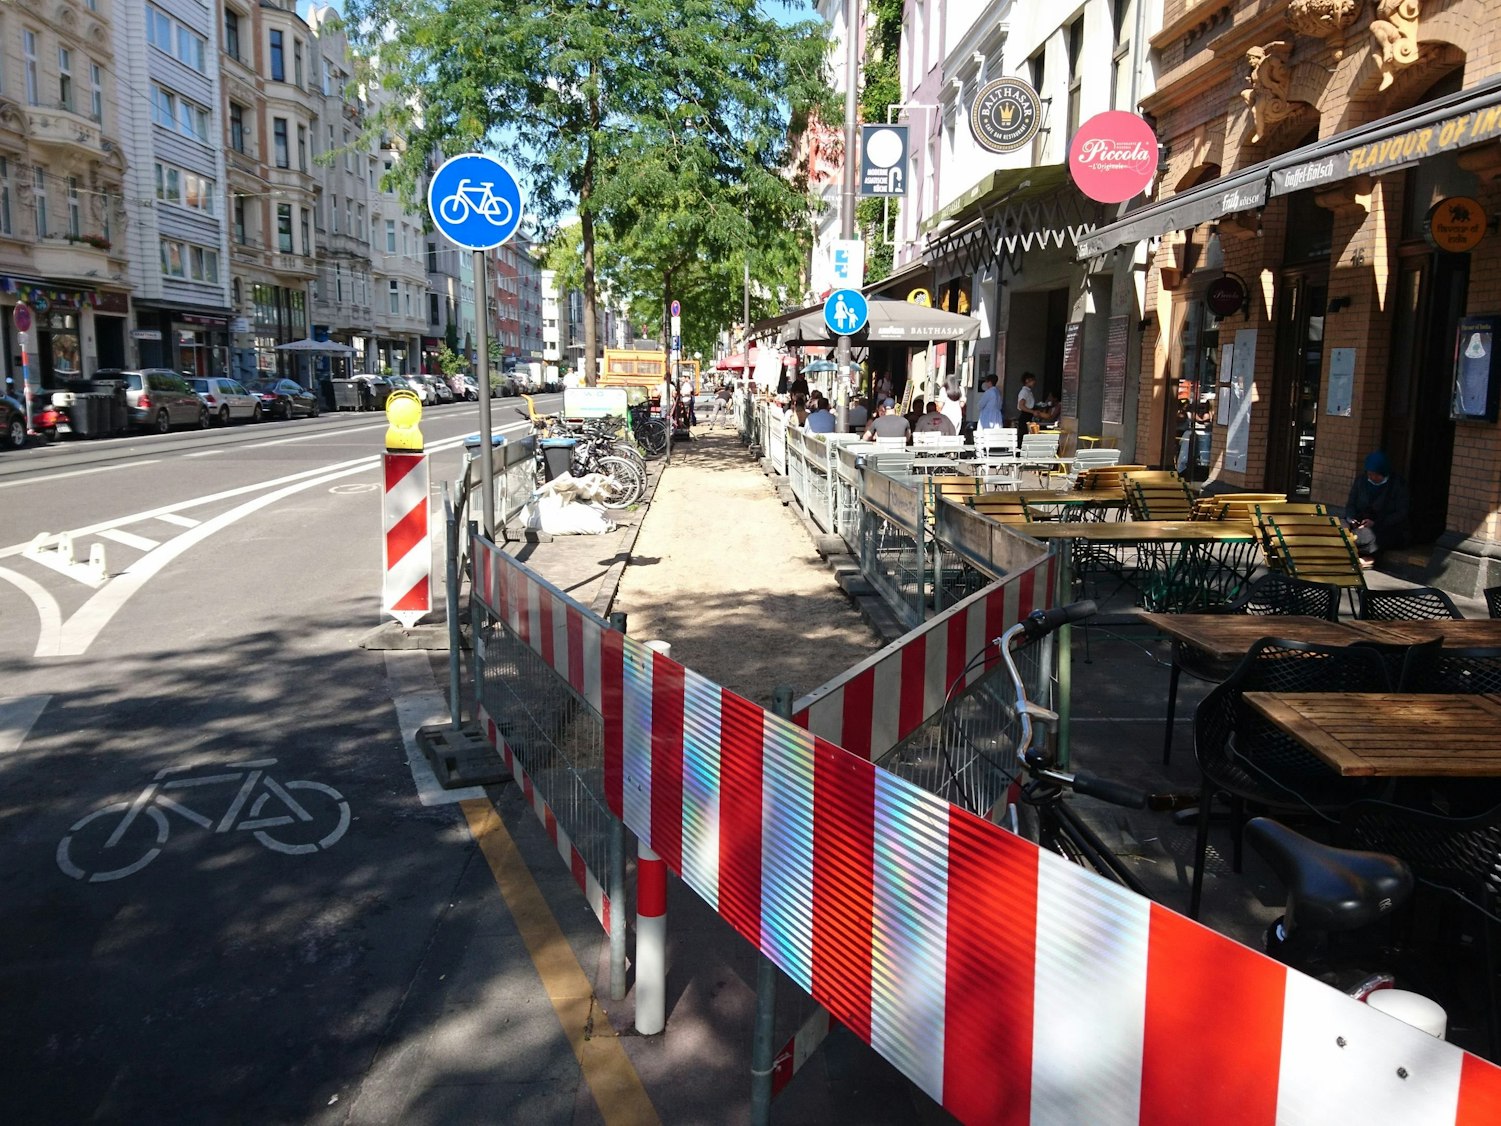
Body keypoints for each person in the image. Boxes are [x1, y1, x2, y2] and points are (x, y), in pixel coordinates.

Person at [1345, 451, 1410, 567]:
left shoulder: (1397, 485)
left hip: (1385, 525)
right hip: (1361, 521)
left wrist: (1375, 523)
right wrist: (1352, 519)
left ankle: (1369, 558)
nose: (1372, 477)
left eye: (1376, 475)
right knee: (1342, 527)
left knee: (1371, 536)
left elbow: (1401, 513)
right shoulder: (1361, 481)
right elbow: (1351, 504)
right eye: (1369, 474)